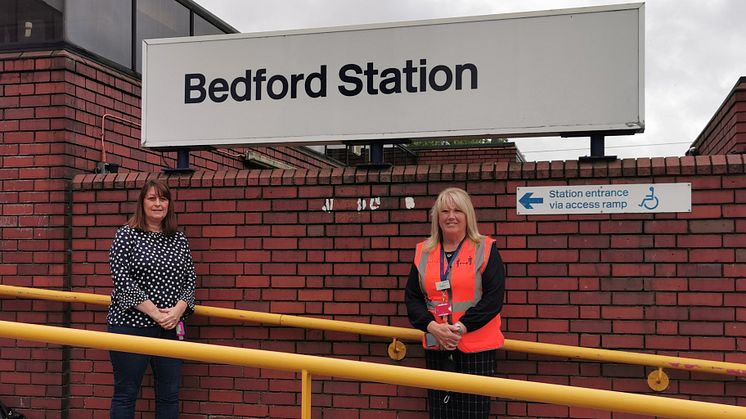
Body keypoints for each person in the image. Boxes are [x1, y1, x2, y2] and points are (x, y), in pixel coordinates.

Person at [405, 187, 506, 419]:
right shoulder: (424, 252)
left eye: (458, 210)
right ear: (437, 218)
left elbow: (494, 299)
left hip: (475, 349)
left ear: (468, 215)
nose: (451, 216)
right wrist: (432, 327)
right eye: (445, 211)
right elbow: (412, 298)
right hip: (437, 345)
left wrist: (459, 328)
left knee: (473, 414)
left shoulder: (485, 248)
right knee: (441, 414)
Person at [107, 178, 196, 419]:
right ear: (142, 202)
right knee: (126, 393)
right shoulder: (126, 236)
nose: (158, 204)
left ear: (169, 204)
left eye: (163, 198)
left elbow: (190, 282)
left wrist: (177, 313)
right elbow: (122, 281)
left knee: (169, 395)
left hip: (170, 328)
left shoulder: (178, 239)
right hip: (131, 325)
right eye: (152, 198)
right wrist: (156, 313)